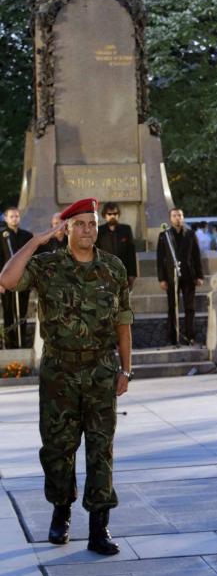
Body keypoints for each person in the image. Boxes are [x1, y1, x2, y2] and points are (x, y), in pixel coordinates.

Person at [0, 198, 132, 555]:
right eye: (80, 224)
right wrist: (36, 242)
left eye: (92, 223)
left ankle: (99, 526)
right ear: (66, 228)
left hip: (101, 370)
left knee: (101, 448)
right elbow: (7, 279)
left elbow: (123, 322)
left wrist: (126, 368)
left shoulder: (114, 268)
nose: (88, 229)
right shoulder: (47, 265)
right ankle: (61, 511)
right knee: (58, 447)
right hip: (59, 372)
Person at [156, 208, 204, 345]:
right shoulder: (164, 235)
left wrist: (199, 275)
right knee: (172, 307)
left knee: (190, 307)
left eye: (179, 215)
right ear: (170, 218)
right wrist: (162, 278)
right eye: (174, 215)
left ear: (183, 217)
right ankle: (173, 337)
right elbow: (160, 258)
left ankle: (190, 336)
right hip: (171, 277)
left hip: (189, 275)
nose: (177, 218)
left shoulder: (190, 234)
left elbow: (196, 256)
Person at [0, 207, 34, 347]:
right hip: (6, 280)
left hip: (23, 280)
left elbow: (31, 257)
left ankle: (22, 340)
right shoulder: (2, 236)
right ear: (6, 218)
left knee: (22, 311)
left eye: (17, 216)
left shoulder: (27, 236)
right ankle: (10, 342)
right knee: (8, 311)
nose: (15, 219)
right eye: (11, 216)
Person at [96, 202, 137, 290]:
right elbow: (96, 253)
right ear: (104, 215)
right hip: (105, 273)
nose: (112, 216)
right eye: (109, 214)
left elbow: (131, 252)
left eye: (115, 213)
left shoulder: (126, 229)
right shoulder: (99, 231)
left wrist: (132, 274)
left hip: (123, 272)